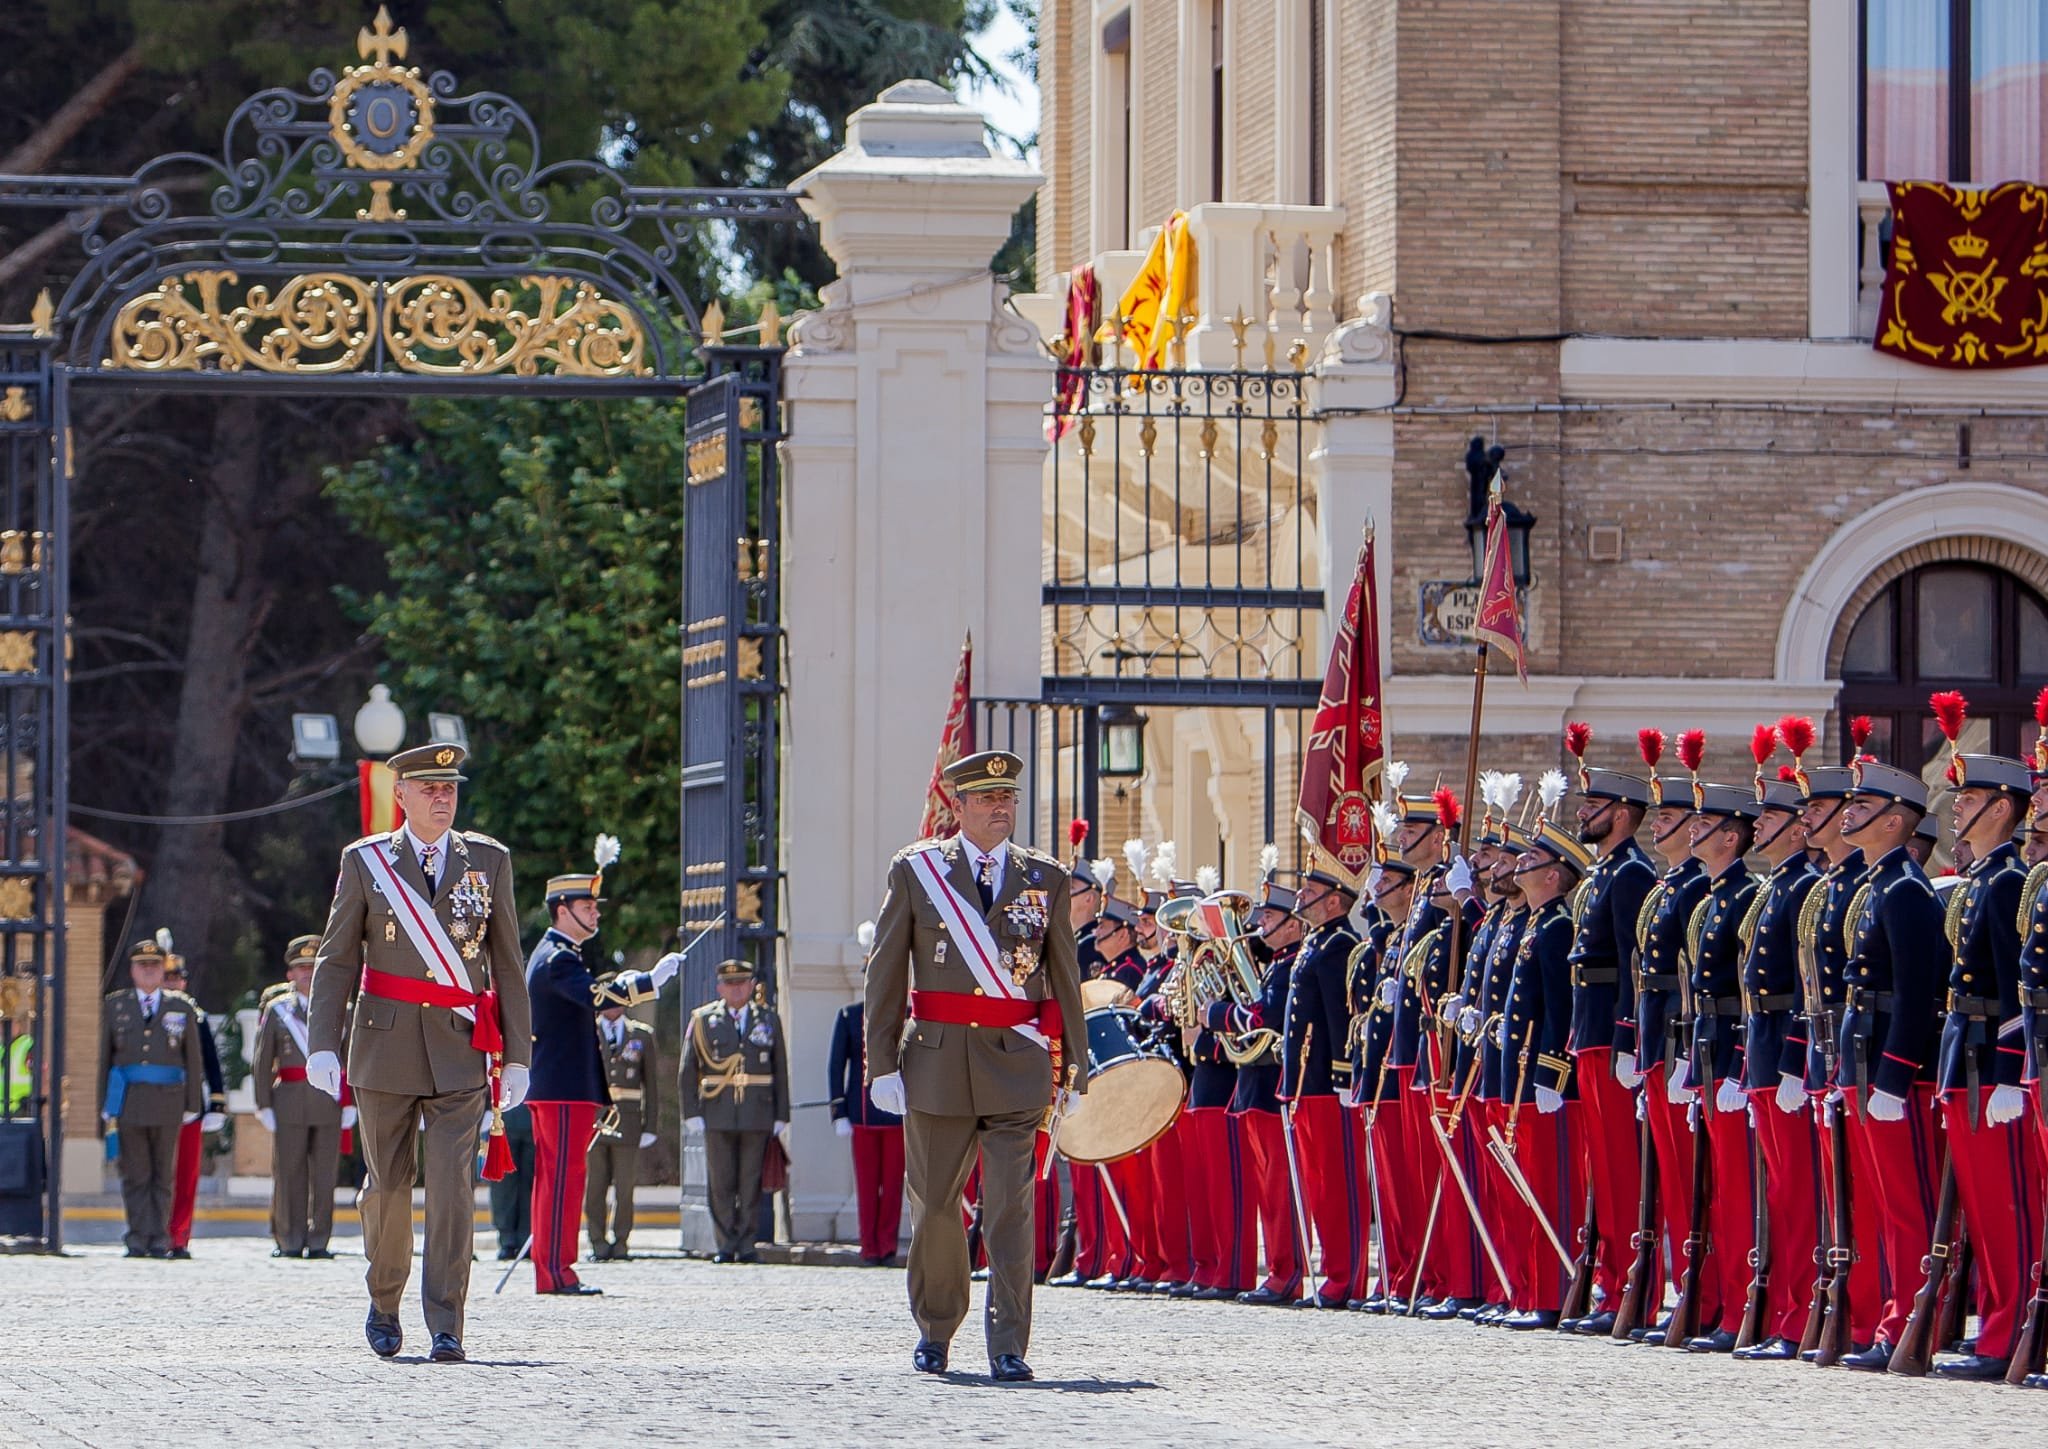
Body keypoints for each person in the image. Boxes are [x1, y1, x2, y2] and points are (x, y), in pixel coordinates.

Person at [305, 741, 533, 1364]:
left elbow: (507, 964)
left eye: (450, 789)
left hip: (462, 1050)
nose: (442, 798)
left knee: (455, 1190)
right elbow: (336, 959)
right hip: (383, 1048)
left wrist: (517, 1055)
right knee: (387, 1187)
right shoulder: (367, 862)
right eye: (429, 789)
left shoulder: (488, 860)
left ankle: (447, 1322)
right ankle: (384, 1302)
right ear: (399, 795)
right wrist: (322, 1043)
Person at [864, 748, 1087, 1383]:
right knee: (934, 1205)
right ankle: (936, 1329)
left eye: (1008, 798)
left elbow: (1065, 976)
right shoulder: (917, 871)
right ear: (956, 807)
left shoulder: (1044, 877)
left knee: (1010, 1209)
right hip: (935, 1065)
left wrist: (1073, 1065)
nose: (1001, 808)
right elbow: (886, 970)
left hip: (1017, 1064)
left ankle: (1009, 1343)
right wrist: (882, 1062)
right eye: (987, 800)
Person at [1928, 737, 2041, 1380]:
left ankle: (2011, 1329)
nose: (1955, 807)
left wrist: (2005, 1074)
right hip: (1960, 1056)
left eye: (1968, 798)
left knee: (2008, 1208)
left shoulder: (2006, 885)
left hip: (1986, 1066)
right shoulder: (1980, 882)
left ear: (2001, 808)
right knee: (1982, 1206)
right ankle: (1997, 1325)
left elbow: (2011, 988)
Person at [1832, 752, 1947, 1372]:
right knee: (1877, 1200)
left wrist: (1895, 1074)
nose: (1850, 814)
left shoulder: (1904, 889)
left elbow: (1915, 989)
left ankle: (1912, 1324)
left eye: (1862, 807)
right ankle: (1886, 1318)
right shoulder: (1876, 883)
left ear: (1896, 821)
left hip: (1886, 1061)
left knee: (1906, 1204)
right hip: (1861, 1054)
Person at [525, 857, 682, 1295]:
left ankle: (553, 1267)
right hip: (562, 1087)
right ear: (562, 910)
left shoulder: (560, 955)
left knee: (560, 1178)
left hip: (560, 1085)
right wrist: (649, 981)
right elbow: (596, 995)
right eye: (587, 907)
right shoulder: (557, 958)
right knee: (563, 1180)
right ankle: (556, 1271)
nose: (596, 913)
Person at [1559, 733, 1657, 1336]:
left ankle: (1629, 1286)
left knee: (1623, 1168)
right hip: (1587, 1029)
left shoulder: (1630, 875)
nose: (1581, 814)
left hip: (1609, 1032)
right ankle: (1608, 1280)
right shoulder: (1599, 874)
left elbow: (1632, 962)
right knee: (1604, 1167)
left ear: (1621, 814)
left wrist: (1626, 1037)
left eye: (1591, 806)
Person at [1732, 759, 1822, 1362]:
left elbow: (1806, 984)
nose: (1756, 827)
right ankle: (1783, 1315)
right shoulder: (1775, 890)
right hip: (1761, 1050)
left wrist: (1791, 1061)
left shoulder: (1804, 889)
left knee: (1797, 1195)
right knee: (1781, 1195)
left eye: (1769, 817)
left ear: (1795, 829)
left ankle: (1796, 1318)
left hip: (1785, 1052)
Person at [1673, 775, 1761, 1354]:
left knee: (1738, 1192)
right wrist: (1688, 1062)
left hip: (1727, 1055)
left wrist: (1735, 1068)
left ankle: (1743, 1308)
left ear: (1731, 838)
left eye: (1705, 826)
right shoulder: (1711, 898)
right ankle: (1725, 1306)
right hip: (1704, 1051)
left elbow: (1746, 995)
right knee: (1719, 1193)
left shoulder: (1744, 896)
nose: (1692, 831)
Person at [1282, 853, 1366, 1310]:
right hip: (1303, 1082)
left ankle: (1344, 1275)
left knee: (1336, 1184)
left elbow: (1339, 1017)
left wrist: (1341, 1074)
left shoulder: (1339, 947)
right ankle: (1332, 1269)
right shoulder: (1317, 942)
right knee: (1317, 1184)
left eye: (1310, 892)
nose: (1301, 897)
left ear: (1335, 901)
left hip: (1324, 1082)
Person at [100, 937, 204, 1258]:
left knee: (163, 1174)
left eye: (154, 966)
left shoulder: (181, 1007)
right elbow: (104, 1058)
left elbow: (193, 1060)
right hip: (129, 1100)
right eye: (142, 966)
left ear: (162, 971)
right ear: (132, 971)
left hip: (168, 1101)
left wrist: (192, 1105)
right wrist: (103, 1105)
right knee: (135, 1173)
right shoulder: (115, 1005)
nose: (148, 972)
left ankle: (159, 1238)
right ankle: (136, 1236)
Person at [682, 958, 790, 1264]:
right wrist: (691, 1112)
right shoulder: (703, 1020)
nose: (736, 989)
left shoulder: (768, 1018)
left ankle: (746, 1243)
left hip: (757, 1110)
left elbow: (780, 1068)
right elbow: (688, 1070)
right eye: (730, 984)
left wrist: (782, 1114)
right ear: (720, 988)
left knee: (750, 1180)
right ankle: (725, 1243)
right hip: (717, 1109)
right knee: (721, 1181)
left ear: (752, 984)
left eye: (742, 983)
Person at [252, 934, 349, 1259]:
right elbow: (263, 1060)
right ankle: (289, 1239)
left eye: (311, 966)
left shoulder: (340, 1008)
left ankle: (319, 1239)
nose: (306, 973)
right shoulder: (278, 1011)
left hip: (329, 1100)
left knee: (324, 1175)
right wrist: (263, 1103)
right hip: (289, 1100)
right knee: (289, 1172)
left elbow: (350, 1058)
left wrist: (351, 1103)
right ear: (290, 974)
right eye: (300, 968)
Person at [588, 979, 663, 1263]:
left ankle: (621, 1241)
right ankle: (597, 1240)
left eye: (618, 1000)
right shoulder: (587, 1032)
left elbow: (651, 1086)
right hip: (595, 1119)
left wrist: (650, 1126)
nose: (612, 1006)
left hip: (628, 1120)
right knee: (595, 1185)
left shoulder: (641, 1036)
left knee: (624, 1186)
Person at [160, 941, 225, 1260]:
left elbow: (211, 1061)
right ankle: (155, 1231)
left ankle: (180, 1235)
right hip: (157, 1100)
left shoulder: (194, 1014)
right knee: (157, 1172)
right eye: (168, 977)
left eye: (178, 978)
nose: (174, 983)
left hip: (188, 1102)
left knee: (186, 1173)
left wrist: (215, 1101)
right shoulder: (152, 1011)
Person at [829, 996, 904, 1265]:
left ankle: (887, 1244)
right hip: (860, 1114)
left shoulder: (906, 1013)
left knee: (893, 1186)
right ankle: (869, 1246)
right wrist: (838, 1111)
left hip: (897, 1115)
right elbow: (837, 1064)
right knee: (867, 1185)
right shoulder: (851, 1015)